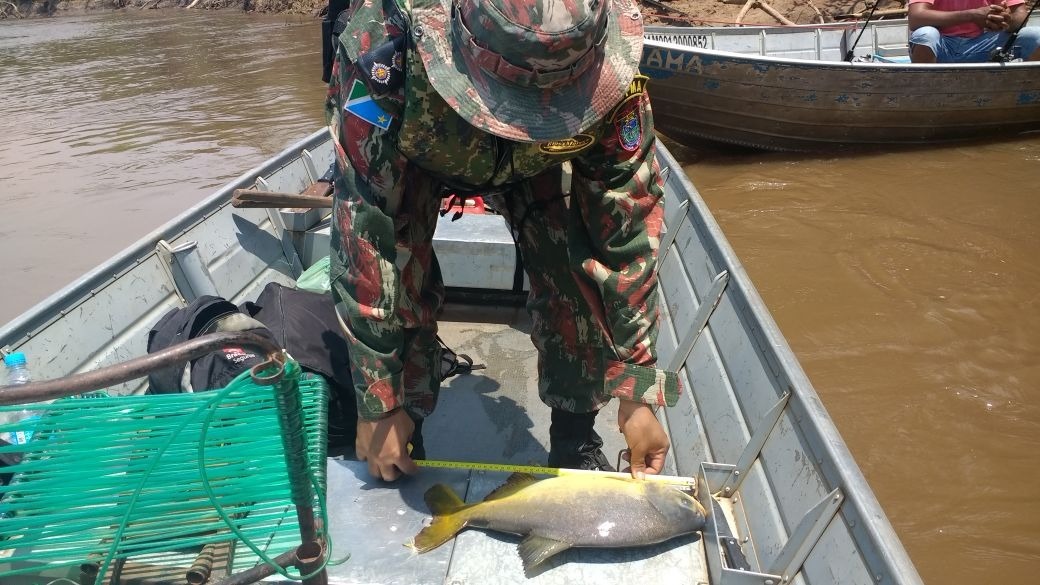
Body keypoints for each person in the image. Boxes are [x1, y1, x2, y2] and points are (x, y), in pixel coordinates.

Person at [324, 0, 680, 482]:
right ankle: (404, 434)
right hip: (418, 162)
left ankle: (576, 441)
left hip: (539, 163)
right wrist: (378, 399)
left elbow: (626, 230)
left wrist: (638, 388)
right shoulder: (383, 49)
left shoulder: (611, 71)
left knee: (573, 273)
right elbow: (365, 227)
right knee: (400, 275)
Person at [908, 0, 1040, 62]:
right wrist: (971, 16)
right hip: (941, 47)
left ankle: (1024, 91)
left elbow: (1020, 15)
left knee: (1035, 35)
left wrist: (1005, 19)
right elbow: (916, 17)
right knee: (925, 35)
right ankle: (927, 91)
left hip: (986, 45)